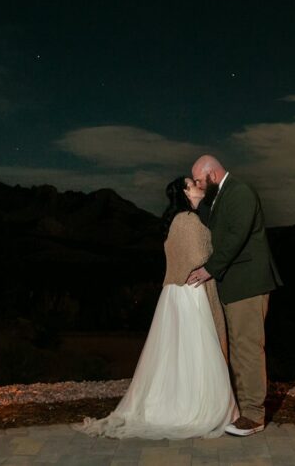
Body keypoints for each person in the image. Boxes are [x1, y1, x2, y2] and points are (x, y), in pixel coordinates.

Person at [77, 177, 238, 440]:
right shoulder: (188, 220)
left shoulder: (181, 219)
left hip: (177, 295)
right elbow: (199, 258)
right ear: (186, 192)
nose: (199, 185)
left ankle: (181, 404)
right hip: (191, 295)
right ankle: (200, 408)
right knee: (196, 354)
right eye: (192, 183)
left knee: (178, 356)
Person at [186, 155, 282, 436]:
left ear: (213, 175)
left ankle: (254, 415)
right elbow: (213, 231)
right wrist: (196, 205)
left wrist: (209, 270)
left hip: (247, 284)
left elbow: (235, 237)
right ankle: (244, 409)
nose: (199, 187)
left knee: (248, 349)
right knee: (239, 348)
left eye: (201, 182)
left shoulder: (240, 192)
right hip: (235, 285)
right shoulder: (221, 195)